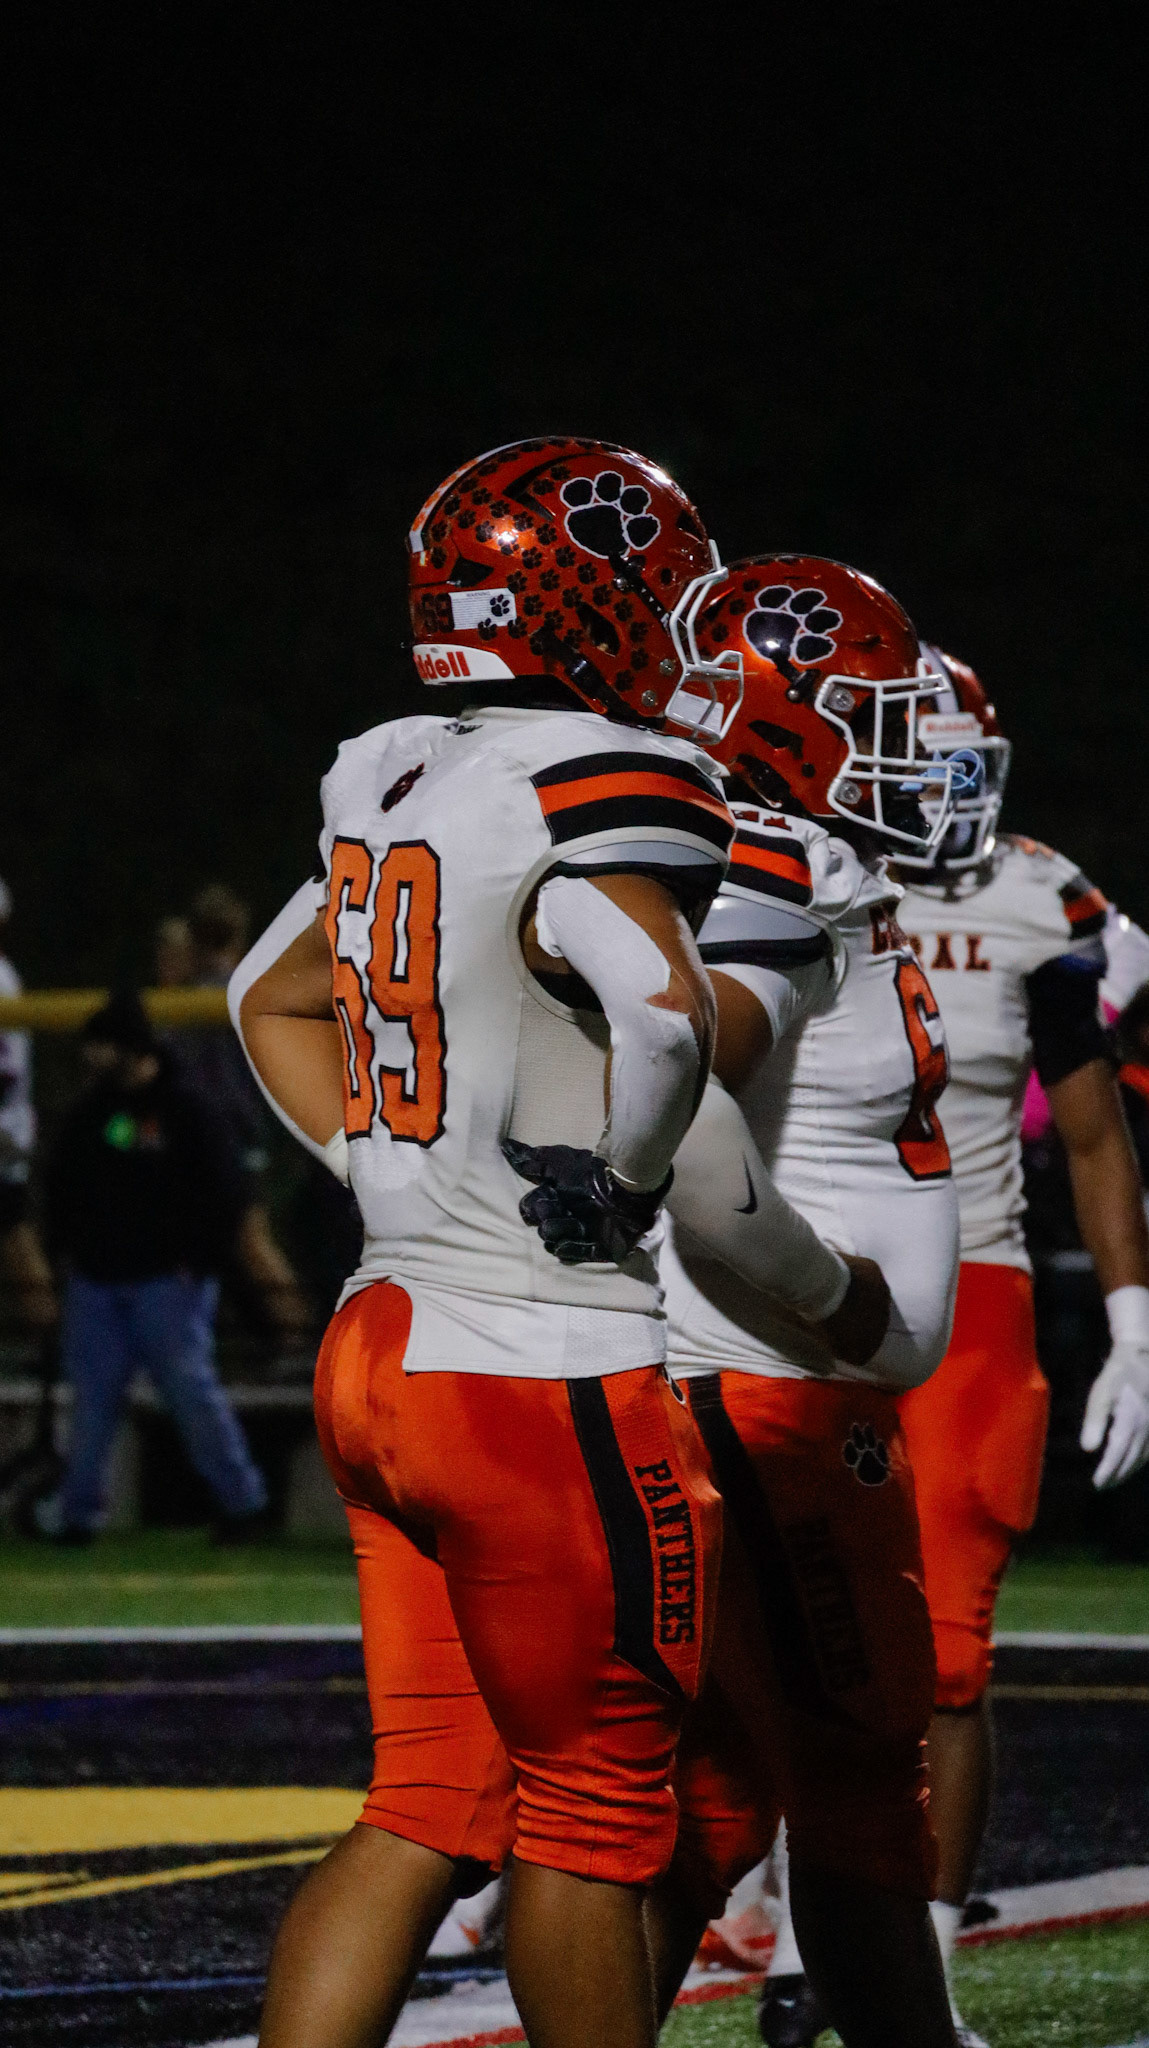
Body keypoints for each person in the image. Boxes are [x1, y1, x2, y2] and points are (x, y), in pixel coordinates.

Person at [229, 438, 741, 2048]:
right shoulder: (600, 774)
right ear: (594, 608)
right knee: (596, 1813)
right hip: (532, 1361)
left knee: (426, 1802)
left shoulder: (397, 768)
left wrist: (383, 1166)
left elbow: (265, 996)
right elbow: (660, 1010)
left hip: (380, 1338)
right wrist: (626, 1177)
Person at [638, 557, 967, 2048]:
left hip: (752, 1385)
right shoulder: (769, 856)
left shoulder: (771, 850)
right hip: (765, 1395)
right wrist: (833, 1301)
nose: (906, 747)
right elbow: (680, 1103)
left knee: (711, 1811)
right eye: (875, 714)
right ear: (785, 714)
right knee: (856, 1788)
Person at [894, 649, 1149, 2046]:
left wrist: (1133, 1323)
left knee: (948, 1652)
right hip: (781, 1292)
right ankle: (746, 1886)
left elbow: (1096, 1121)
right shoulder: (783, 871)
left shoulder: (1039, 894)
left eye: (954, 761)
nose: (934, 790)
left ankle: (918, 1972)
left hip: (969, 1289)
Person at [35, 990, 269, 1542]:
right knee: (92, 1407)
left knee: (192, 1397)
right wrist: (66, 1256)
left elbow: (225, 1192)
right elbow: (61, 1189)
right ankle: (78, 1516)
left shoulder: (188, 1110)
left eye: (102, 1045)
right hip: (98, 1283)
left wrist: (199, 1262)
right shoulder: (90, 1112)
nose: (92, 1056)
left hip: (168, 1284)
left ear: (129, 1047)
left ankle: (243, 1506)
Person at [175, 883, 310, 1335]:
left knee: (249, 1239)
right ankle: (285, 1336)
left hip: (224, 1134)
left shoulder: (208, 991)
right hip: (239, 1130)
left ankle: (298, 1337)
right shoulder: (247, 980)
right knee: (242, 1239)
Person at [0, 874, 56, 1331]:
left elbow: (7, 1071)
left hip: (3, 1129)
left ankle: (52, 1341)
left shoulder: (1, 976)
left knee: (15, 1236)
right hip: (9, 1125)